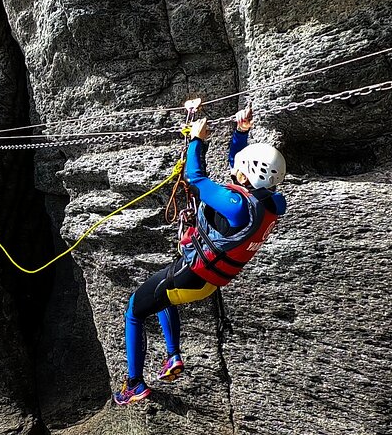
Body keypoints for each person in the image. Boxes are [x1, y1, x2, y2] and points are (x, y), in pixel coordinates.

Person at [112, 107, 287, 405]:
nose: (234, 170)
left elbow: (195, 177)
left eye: (239, 170)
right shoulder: (272, 203)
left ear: (246, 175)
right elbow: (241, 168)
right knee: (162, 296)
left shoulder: (236, 206)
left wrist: (197, 141)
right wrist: (240, 133)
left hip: (193, 273)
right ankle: (173, 356)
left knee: (135, 309)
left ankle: (134, 384)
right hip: (207, 279)